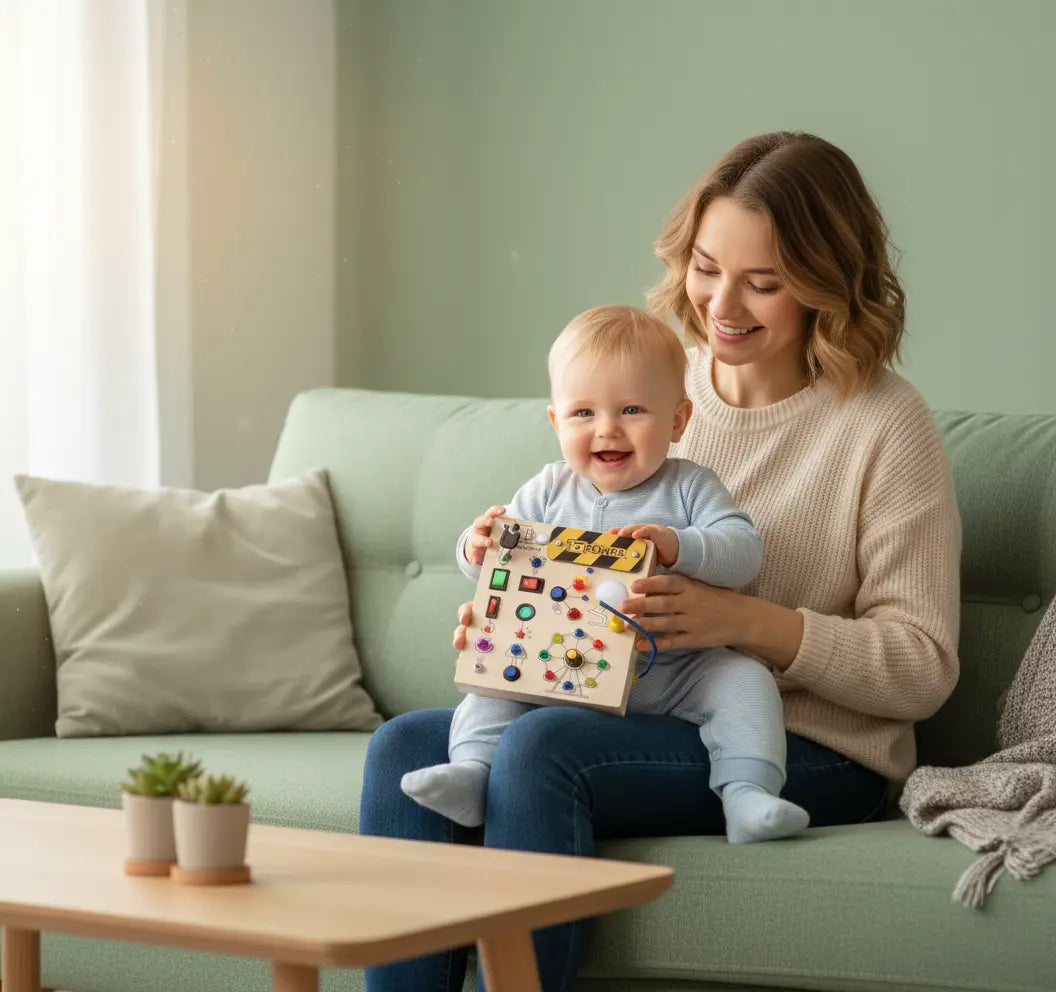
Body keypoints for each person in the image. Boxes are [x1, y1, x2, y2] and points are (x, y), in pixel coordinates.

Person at [359, 131, 962, 992]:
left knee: (540, 751)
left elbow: (923, 672)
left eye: (765, 281)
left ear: (830, 282)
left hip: (812, 746)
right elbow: (565, 543)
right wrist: (515, 617)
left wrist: (749, 624)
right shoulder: (648, 387)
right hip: (633, 701)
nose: (722, 303)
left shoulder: (885, 425)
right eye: (707, 266)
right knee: (403, 746)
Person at [400, 304, 810, 844]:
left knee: (745, 682)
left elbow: (744, 552)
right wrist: (474, 547)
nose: (607, 429)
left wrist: (678, 545)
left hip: (674, 675)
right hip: (556, 672)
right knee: (487, 686)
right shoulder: (547, 490)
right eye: (583, 413)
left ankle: (747, 794)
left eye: (633, 409)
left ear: (678, 421)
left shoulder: (689, 486)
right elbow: (498, 555)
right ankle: (474, 772)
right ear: (556, 422)